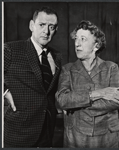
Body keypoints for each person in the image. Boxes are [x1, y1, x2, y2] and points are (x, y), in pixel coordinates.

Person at [56, 20, 119, 148]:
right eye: (76, 39)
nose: (77, 44)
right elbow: (62, 100)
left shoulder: (111, 68)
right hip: (75, 138)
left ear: (96, 45)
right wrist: (97, 94)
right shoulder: (67, 69)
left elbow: (116, 100)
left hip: (107, 137)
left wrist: (75, 106)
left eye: (83, 39)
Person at [4, 6, 62, 148]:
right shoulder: (11, 49)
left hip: (47, 130)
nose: (46, 31)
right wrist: (5, 93)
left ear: (56, 30)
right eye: (42, 25)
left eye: (51, 27)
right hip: (19, 130)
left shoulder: (57, 56)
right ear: (31, 25)